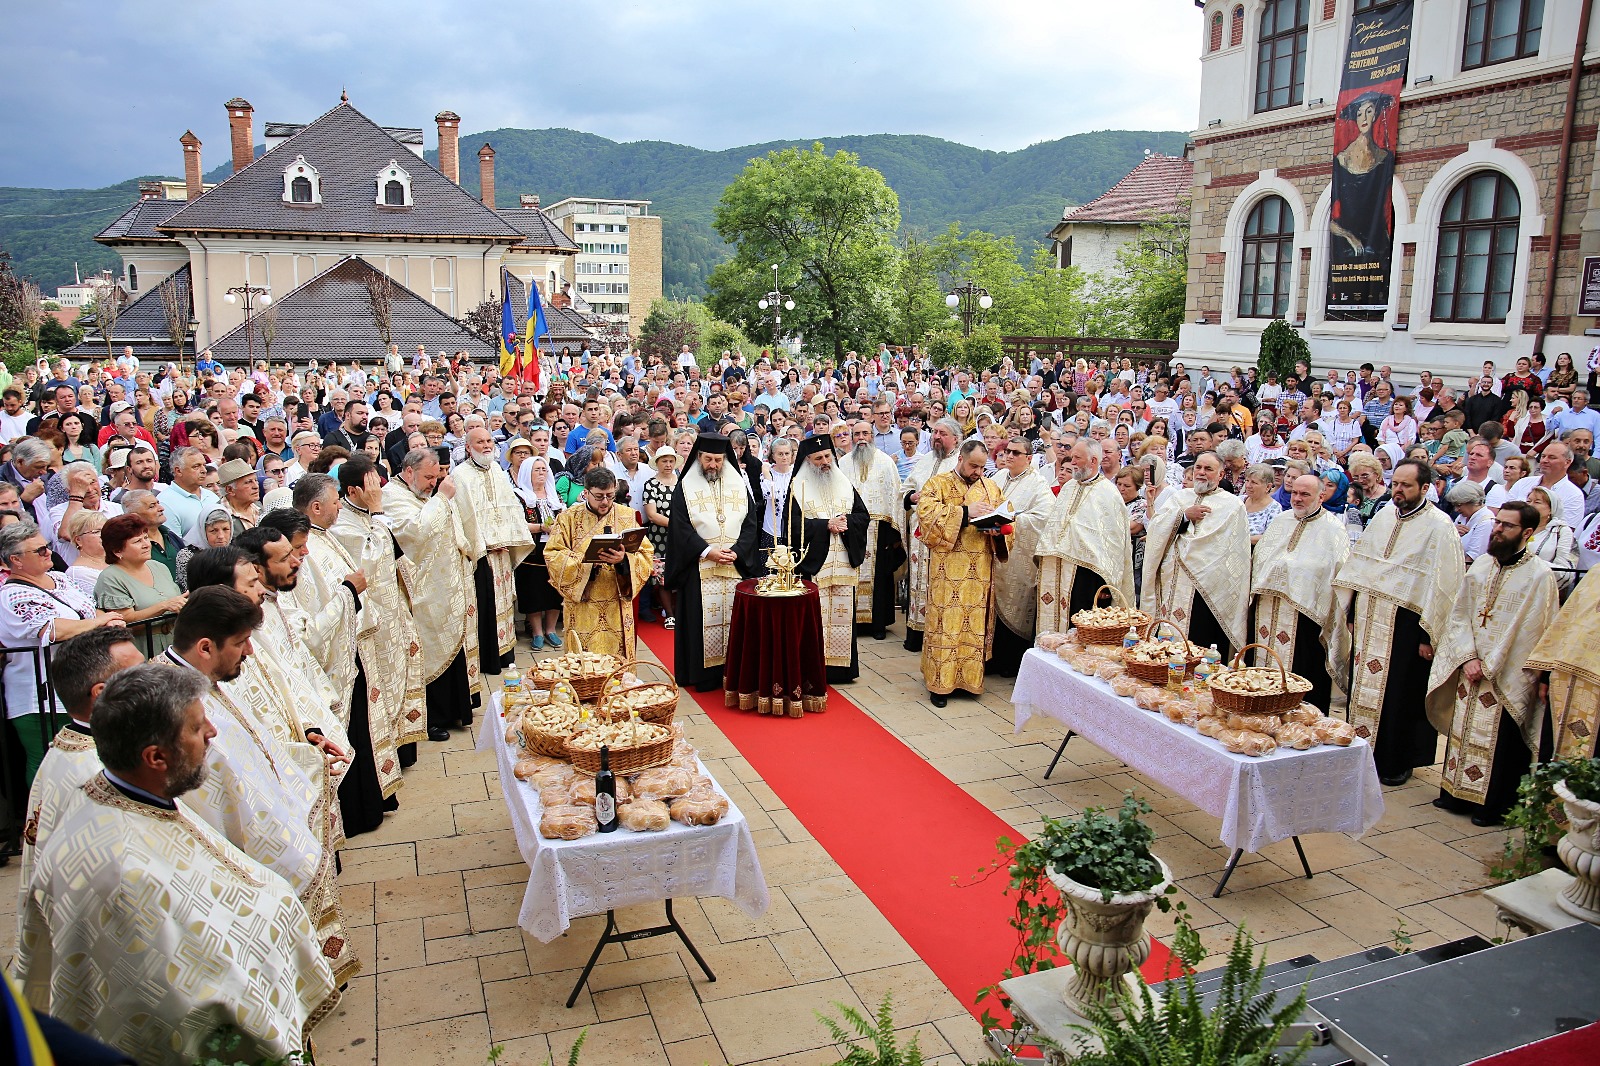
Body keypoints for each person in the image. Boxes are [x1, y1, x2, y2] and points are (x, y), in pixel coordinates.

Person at [15, 662, 339, 1066]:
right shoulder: (123, 875)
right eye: (197, 726)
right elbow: (174, 1009)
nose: (212, 733)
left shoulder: (126, 796)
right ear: (155, 757)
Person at [160, 587, 358, 984]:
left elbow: (252, 748)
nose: (250, 651)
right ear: (204, 647)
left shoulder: (205, 681)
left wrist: (307, 752)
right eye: (241, 642)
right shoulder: (171, 708)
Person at [1334, 459, 1466, 786]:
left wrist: (1427, 637)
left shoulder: (1439, 525)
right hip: (1370, 617)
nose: (1398, 492)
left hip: (1408, 625)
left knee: (1400, 693)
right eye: (1396, 485)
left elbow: (1442, 586)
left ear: (1425, 488)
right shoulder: (1383, 515)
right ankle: (1360, 751)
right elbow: (1361, 566)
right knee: (1365, 687)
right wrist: (1350, 614)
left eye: (1406, 486)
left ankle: (1396, 761)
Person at [1427, 501, 1559, 825]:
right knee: (1463, 729)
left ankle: (1493, 805)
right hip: (1470, 665)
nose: (1498, 529)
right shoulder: (1482, 566)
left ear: (1527, 532)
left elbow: (1533, 630)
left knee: (1500, 740)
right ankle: (1455, 794)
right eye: (1497, 522)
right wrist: (1469, 657)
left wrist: (1490, 665)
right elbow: (1460, 615)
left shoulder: (1540, 575)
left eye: (1507, 525)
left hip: (1507, 672)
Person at [282, 474, 399, 835]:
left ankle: (371, 800)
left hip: (352, 644)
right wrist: (350, 593)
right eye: (335, 501)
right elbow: (314, 618)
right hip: (333, 656)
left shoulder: (322, 537)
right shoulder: (307, 550)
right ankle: (357, 809)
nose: (339, 507)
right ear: (315, 506)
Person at [18, 627, 145, 890]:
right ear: (101, 692)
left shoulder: (70, 749)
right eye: (141, 675)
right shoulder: (99, 774)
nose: (159, 679)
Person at [330, 455, 428, 753]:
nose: (378, 492)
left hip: (394, 609)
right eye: (370, 487)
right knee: (384, 682)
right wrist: (376, 512)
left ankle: (404, 742)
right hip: (374, 619)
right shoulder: (342, 525)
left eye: (379, 485)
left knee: (405, 667)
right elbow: (373, 562)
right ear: (351, 491)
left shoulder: (372, 512)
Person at [664, 435, 763, 691]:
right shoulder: (685, 485)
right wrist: (707, 551)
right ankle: (703, 675)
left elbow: (751, 523)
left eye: (718, 460)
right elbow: (680, 527)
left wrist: (738, 552)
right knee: (700, 622)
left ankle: (735, 671)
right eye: (708, 459)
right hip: (699, 566)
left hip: (733, 566)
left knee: (734, 619)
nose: (713, 465)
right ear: (698, 457)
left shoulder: (738, 484)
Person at [916, 439, 1010, 707]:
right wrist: (966, 512)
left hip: (979, 572)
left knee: (973, 625)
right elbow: (927, 516)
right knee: (946, 625)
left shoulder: (991, 488)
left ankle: (970, 680)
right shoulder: (938, 484)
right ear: (960, 459)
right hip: (947, 571)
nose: (977, 472)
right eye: (973, 466)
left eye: (982, 467)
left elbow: (1007, 518)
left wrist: (998, 530)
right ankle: (939, 684)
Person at [1249, 474, 1352, 711]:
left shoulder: (1333, 529)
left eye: (1305, 494)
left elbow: (1335, 573)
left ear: (1321, 496)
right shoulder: (1282, 521)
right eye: (1294, 493)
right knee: (1264, 666)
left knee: (1302, 677)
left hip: (1306, 618)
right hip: (1268, 609)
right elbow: (1262, 558)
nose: (1297, 498)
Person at [1141, 451, 1251, 661]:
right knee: (1168, 638)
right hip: (1173, 580)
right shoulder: (1180, 497)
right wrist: (1183, 516)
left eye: (1208, 469)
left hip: (1207, 587)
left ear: (1220, 475)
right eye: (1198, 467)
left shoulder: (1233, 505)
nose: (1201, 473)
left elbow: (1234, 551)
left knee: (1200, 641)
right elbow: (1156, 528)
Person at [783, 435, 869, 683]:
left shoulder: (844, 483)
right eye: (818, 458)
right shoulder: (798, 486)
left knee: (842, 615)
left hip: (842, 559)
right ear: (808, 460)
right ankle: (813, 668)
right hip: (815, 563)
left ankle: (841, 670)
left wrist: (847, 522)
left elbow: (862, 516)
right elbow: (792, 526)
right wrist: (825, 525)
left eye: (828, 456)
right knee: (815, 616)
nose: (824, 462)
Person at [544, 466, 654, 659]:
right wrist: (587, 562)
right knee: (584, 662)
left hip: (616, 598)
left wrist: (624, 560)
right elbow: (553, 555)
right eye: (599, 496)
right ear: (585, 493)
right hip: (583, 602)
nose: (605, 502)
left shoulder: (627, 515)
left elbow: (645, 553)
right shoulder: (567, 518)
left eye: (610, 496)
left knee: (617, 662)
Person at [451, 426, 534, 675]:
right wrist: (481, 545)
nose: (487, 445)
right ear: (468, 447)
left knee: (504, 603)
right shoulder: (460, 475)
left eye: (489, 441)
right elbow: (464, 516)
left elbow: (509, 507)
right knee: (486, 603)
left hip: (502, 551)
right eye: (480, 442)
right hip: (482, 553)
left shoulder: (497, 470)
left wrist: (510, 537)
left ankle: (505, 654)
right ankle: (488, 659)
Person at [1035, 439, 1135, 636]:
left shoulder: (1108, 493)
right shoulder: (1069, 487)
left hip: (1087, 575)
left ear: (1093, 461)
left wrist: (1107, 582)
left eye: (1077, 458)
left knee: (1079, 630)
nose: (1072, 463)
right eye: (1072, 458)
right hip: (1057, 568)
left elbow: (1114, 544)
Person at [987, 433, 1054, 676]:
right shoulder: (999, 476)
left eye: (1016, 453)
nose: (1009, 456)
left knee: (1014, 606)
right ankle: (990, 658)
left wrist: (1013, 521)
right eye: (1007, 452)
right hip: (995, 550)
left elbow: (1044, 517)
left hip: (1018, 557)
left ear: (1029, 457)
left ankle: (1010, 663)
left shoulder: (1038, 484)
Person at [841, 421, 905, 640]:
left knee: (880, 577)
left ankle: (878, 624)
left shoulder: (886, 463)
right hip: (852, 530)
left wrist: (892, 535)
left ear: (872, 436)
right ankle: (855, 624)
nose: (861, 438)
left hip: (880, 530)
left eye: (865, 433)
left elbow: (894, 498)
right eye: (857, 433)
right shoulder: (843, 463)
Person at [899, 418, 959, 652]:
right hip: (919, 533)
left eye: (942, 433)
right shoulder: (925, 460)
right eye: (934, 432)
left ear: (955, 438)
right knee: (917, 581)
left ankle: (936, 635)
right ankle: (915, 634)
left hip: (943, 534)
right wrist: (913, 497)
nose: (936, 437)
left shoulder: (958, 463)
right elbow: (906, 489)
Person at [93, 513, 186, 656]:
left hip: (175, 643)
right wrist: (163, 606)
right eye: (137, 541)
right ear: (117, 550)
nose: (146, 545)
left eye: (146, 538)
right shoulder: (110, 577)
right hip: (143, 648)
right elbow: (126, 621)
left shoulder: (158, 566)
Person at [513, 454, 567, 649]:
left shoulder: (555, 496)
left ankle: (551, 630)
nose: (541, 473)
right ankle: (536, 632)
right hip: (531, 552)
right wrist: (541, 528)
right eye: (537, 470)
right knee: (533, 592)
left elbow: (564, 518)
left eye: (544, 469)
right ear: (528, 472)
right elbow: (517, 524)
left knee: (553, 591)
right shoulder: (518, 496)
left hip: (554, 550)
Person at [641, 448, 679, 627]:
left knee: (681, 576)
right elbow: (652, 515)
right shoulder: (650, 485)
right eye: (664, 461)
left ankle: (680, 612)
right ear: (657, 463)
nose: (668, 465)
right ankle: (669, 614)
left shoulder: (681, 482)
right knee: (663, 578)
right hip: (659, 537)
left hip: (681, 538)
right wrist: (676, 525)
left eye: (671, 461)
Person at [174, 507, 233, 590]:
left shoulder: (234, 551)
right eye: (213, 531)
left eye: (225, 529)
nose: (221, 536)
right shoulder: (187, 556)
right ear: (202, 532)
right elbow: (189, 591)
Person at [62, 508, 110, 596]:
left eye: (106, 529)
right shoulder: (77, 574)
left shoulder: (118, 558)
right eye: (96, 532)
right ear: (78, 540)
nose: (104, 534)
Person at [1240, 464, 1283, 545]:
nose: (1248, 486)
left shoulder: (1274, 508)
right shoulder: (1240, 501)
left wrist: (1243, 540)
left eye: (1254, 482)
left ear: (1268, 486)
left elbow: (1271, 536)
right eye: (1247, 480)